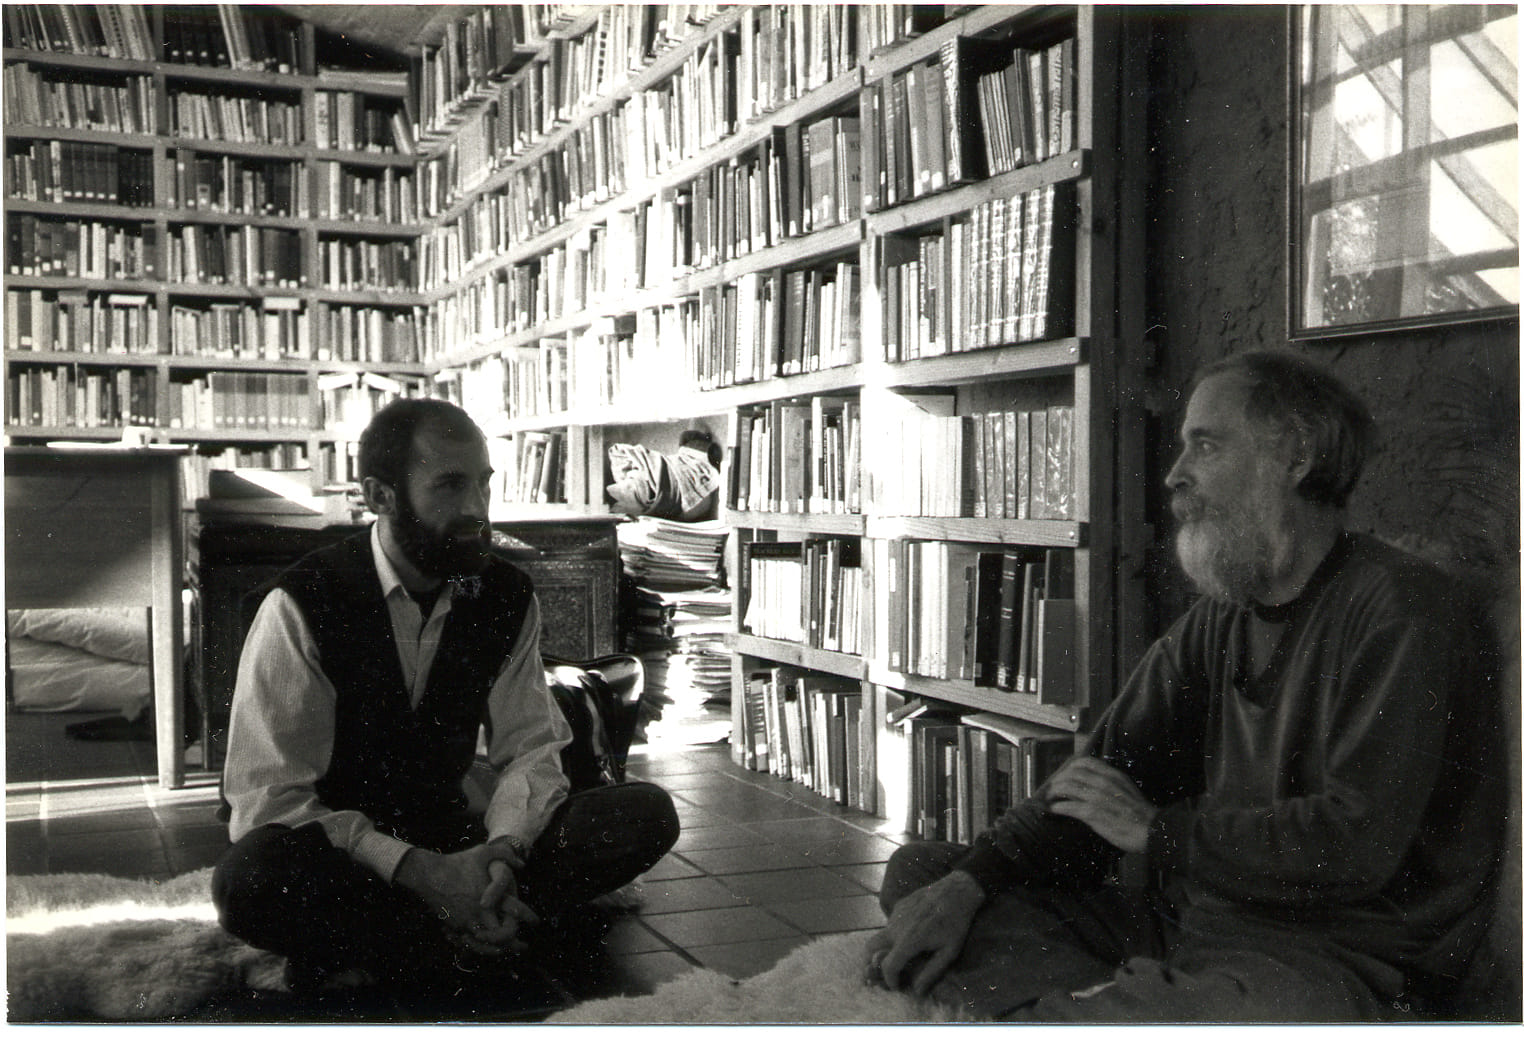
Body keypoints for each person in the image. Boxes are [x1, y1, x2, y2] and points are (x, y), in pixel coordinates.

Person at [865, 351, 1506, 1022]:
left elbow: (1355, 845)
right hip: (1196, 925)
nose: (1175, 476)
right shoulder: (1222, 615)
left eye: (1205, 444)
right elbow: (1102, 772)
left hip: (1336, 959)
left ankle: (1079, 1006)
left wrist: (1158, 833)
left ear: (1296, 455)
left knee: (984, 964)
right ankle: (1097, 1004)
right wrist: (972, 881)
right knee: (924, 879)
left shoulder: (1403, 609)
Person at [212, 398, 679, 1007]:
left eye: (483, 483)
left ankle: (443, 926)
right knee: (250, 882)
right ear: (379, 496)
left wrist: (502, 854)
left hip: (454, 831)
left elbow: (533, 748)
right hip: (345, 850)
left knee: (644, 814)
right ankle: (470, 928)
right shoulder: (304, 603)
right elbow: (269, 798)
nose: (476, 511)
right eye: (450, 485)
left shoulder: (499, 594)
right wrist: (425, 874)